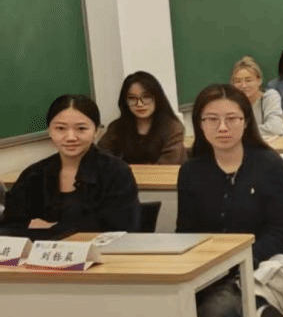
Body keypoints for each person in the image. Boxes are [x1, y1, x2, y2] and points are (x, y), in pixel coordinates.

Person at [176, 84, 283, 317]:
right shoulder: (191, 170)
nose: (222, 127)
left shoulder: (270, 165)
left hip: (254, 268)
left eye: (232, 118)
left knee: (216, 310)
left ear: (246, 121)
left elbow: (281, 232)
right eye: (212, 119)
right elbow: (185, 231)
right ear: (200, 124)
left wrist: (238, 262)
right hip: (204, 269)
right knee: (163, 304)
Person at [0, 95, 140, 239]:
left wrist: (54, 229)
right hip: (42, 252)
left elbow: (123, 228)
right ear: (50, 130)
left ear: (96, 131)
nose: (70, 137)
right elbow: (9, 227)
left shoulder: (116, 172)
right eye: (60, 128)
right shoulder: (34, 174)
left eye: (81, 128)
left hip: (103, 252)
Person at [99, 70, 187, 164]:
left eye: (146, 97)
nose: (139, 104)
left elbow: (167, 166)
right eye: (132, 98)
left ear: (157, 98)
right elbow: (100, 157)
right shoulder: (117, 127)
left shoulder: (173, 128)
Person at [230, 57, 283, 137]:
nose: (243, 85)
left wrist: (239, 131)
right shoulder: (230, 102)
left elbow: (274, 129)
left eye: (248, 80)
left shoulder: (270, 97)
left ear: (259, 81)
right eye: (238, 81)